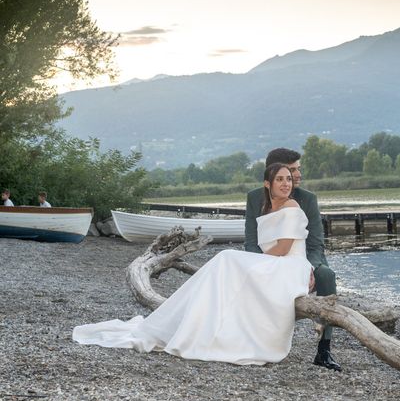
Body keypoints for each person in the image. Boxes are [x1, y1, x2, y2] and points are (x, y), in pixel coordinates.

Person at [73, 163, 314, 365]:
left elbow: (283, 249)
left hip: (289, 265)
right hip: (274, 262)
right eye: (280, 179)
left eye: (289, 179)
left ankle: (205, 325)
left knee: (227, 258)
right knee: (226, 261)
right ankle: (201, 322)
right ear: (267, 184)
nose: (286, 184)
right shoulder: (268, 207)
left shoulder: (292, 206)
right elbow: (268, 248)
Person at [245, 148, 342, 371]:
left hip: (304, 259)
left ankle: (324, 349)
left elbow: (316, 243)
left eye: (297, 170)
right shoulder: (254, 198)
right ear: (271, 175)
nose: (298, 175)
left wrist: (308, 267)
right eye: (293, 170)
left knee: (326, 275)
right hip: (269, 258)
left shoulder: (307, 199)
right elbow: (251, 240)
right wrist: (261, 264)